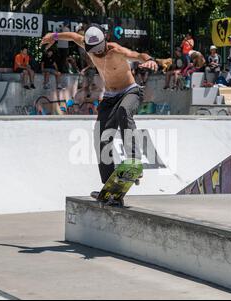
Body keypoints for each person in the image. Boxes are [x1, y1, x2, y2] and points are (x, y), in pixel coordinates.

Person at [41, 23, 157, 200]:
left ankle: (134, 159)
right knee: (100, 137)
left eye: (98, 48)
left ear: (105, 41)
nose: (95, 52)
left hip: (130, 91)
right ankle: (109, 186)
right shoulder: (88, 45)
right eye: (91, 50)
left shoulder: (115, 50)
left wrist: (150, 60)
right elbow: (73, 36)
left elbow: (137, 55)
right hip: (110, 97)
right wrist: (54, 36)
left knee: (124, 111)